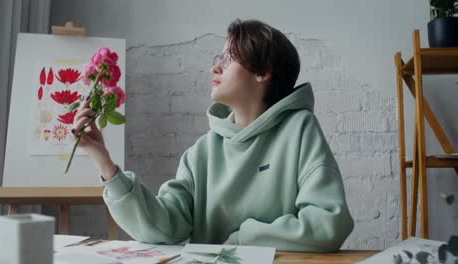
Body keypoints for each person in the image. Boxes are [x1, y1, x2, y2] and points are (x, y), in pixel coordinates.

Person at [71, 19, 354, 252]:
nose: (215, 67)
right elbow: (162, 228)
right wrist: (103, 162)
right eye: (218, 58)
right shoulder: (203, 151)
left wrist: (244, 239)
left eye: (229, 58)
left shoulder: (300, 130)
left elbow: (327, 223)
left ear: (263, 72)